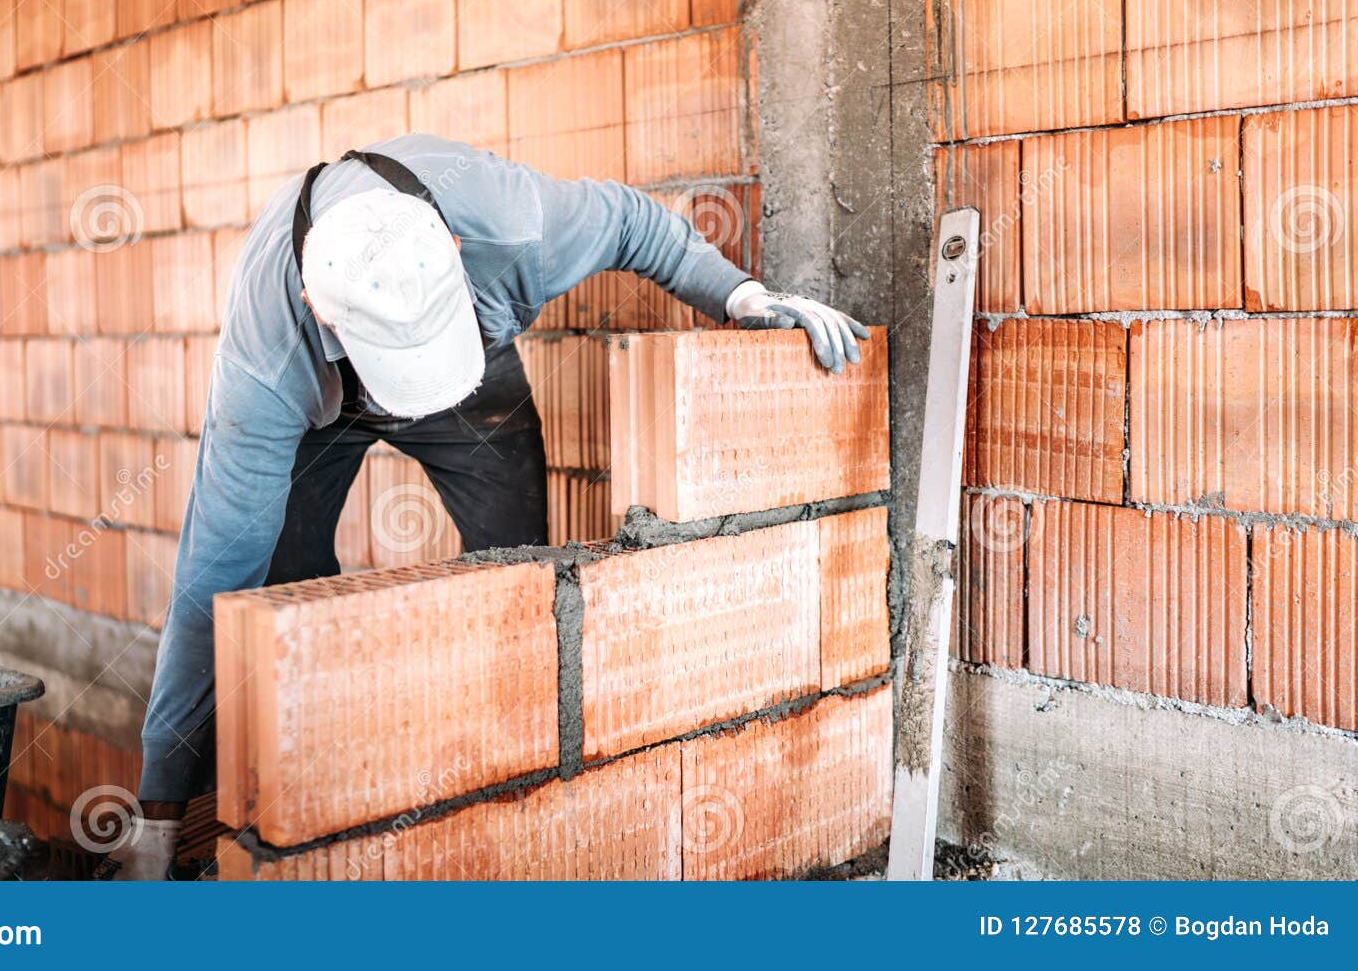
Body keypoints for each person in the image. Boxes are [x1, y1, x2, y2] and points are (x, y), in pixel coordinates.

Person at [99, 134, 869, 878]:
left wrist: (743, 295)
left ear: (454, 249)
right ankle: (305, 808)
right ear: (318, 308)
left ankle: (512, 775)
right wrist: (157, 813)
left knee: (519, 580)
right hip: (321, 409)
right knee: (279, 597)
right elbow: (210, 588)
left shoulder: (510, 222)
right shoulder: (267, 358)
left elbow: (637, 225)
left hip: (476, 375)